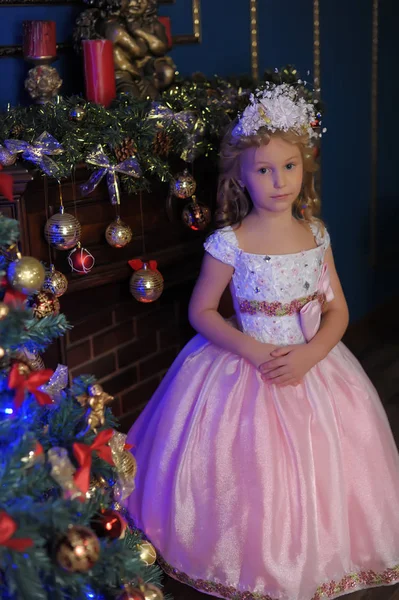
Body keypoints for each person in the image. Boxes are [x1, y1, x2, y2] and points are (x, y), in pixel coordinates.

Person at [124, 80, 399, 600]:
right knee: (252, 483)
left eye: (289, 166)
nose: (279, 181)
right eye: (264, 170)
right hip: (244, 365)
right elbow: (202, 311)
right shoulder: (231, 242)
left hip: (316, 368)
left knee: (330, 466)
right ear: (240, 179)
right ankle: (251, 562)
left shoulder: (316, 233)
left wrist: (313, 354)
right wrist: (252, 349)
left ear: (305, 166)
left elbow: (337, 309)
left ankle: (328, 553)